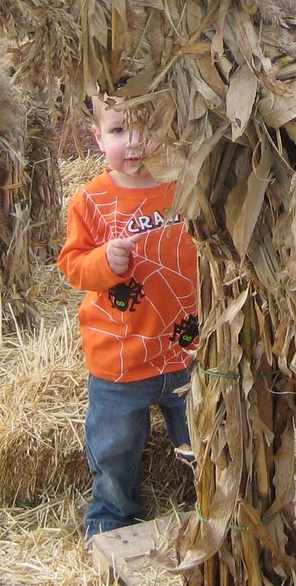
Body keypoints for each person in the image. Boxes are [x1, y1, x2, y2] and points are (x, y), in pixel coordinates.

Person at [56, 99, 199, 538]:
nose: (135, 142)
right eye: (119, 131)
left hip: (187, 348)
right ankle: (112, 515)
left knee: (202, 435)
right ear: (98, 138)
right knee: (114, 447)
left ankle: (212, 498)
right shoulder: (91, 200)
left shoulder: (186, 185)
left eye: (147, 126)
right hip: (120, 357)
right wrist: (105, 261)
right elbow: (73, 266)